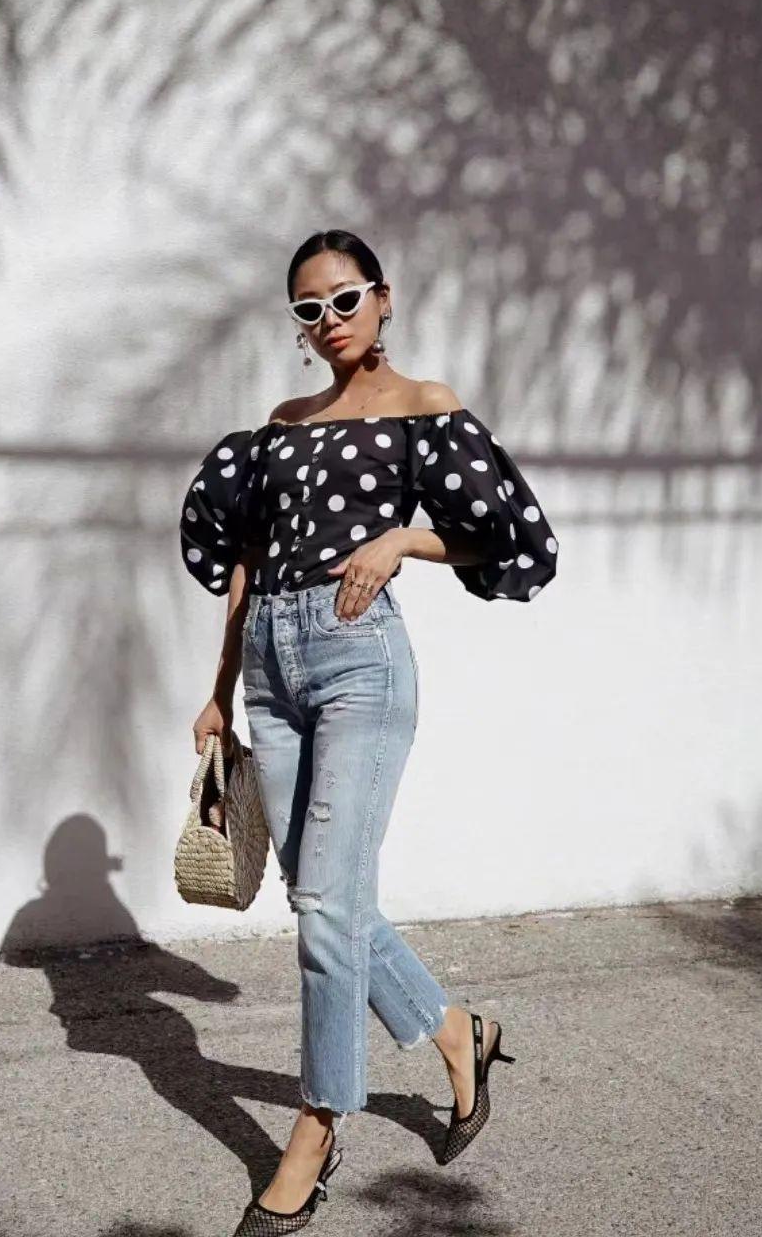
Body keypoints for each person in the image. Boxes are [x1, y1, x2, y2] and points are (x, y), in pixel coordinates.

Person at [180, 229, 558, 1234]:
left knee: (327, 906)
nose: (329, 320)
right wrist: (220, 686)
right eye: (308, 309)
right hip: (272, 665)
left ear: (383, 298)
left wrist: (400, 541)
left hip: (359, 660)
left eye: (344, 299)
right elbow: (247, 560)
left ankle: (317, 1127)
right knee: (323, 897)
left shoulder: (423, 406)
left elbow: (500, 532)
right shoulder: (281, 423)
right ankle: (456, 1031)